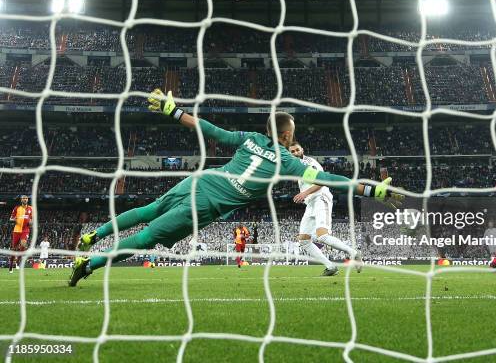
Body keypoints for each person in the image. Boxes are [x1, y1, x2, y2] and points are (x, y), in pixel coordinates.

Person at [69, 90, 399, 286]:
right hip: (206, 203)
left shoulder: (250, 138)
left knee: (150, 210)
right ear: (285, 137)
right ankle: (90, 264)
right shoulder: (288, 161)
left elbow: (213, 131)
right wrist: (372, 190)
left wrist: (176, 112)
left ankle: (93, 235)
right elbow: (331, 180)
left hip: (202, 180)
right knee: (147, 236)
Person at [289, 141, 362, 276]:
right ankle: (331, 267)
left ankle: (354, 252)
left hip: (320, 198)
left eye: (297, 150)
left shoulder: (310, 164)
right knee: (304, 240)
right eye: (292, 152)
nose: (295, 153)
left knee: (322, 236)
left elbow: (322, 181)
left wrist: (304, 193)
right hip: (310, 203)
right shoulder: (297, 167)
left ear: (302, 150)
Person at [8, 195, 33, 274]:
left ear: (27, 200)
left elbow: (32, 219)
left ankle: (18, 262)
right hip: (17, 230)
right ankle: (11, 265)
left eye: (26, 198)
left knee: (23, 245)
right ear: (21, 200)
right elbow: (11, 218)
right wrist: (14, 219)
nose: (25, 199)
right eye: (23, 198)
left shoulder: (31, 209)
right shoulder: (17, 208)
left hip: (25, 230)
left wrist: (31, 222)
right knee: (14, 249)